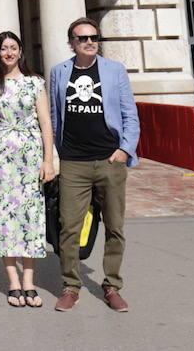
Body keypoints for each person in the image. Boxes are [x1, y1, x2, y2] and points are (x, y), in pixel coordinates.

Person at [48, 17, 140, 314]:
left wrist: (125, 150)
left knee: (115, 226)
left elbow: (130, 115)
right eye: (83, 38)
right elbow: (53, 115)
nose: (90, 41)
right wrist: (54, 155)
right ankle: (71, 286)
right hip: (74, 162)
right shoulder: (59, 72)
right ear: (71, 43)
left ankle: (112, 284)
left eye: (94, 37)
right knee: (69, 229)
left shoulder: (115, 71)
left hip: (109, 160)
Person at [0, 30, 56, 308]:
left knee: (30, 218)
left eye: (13, 47)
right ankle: (12, 281)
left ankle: (29, 281)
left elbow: (46, 123)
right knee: (4, 217)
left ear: (21, 51)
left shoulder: (35, 83)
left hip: (30, 158)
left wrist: (49, 160)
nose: (8, 53)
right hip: (0, 159)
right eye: (3, 48)